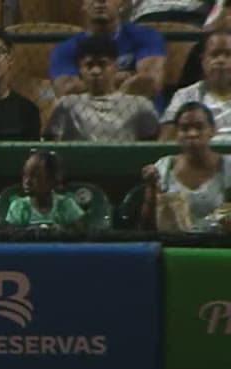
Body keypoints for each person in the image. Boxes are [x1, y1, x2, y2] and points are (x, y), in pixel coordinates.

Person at [50, 0, 167, 109]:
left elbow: (149, 84)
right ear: (84, 3)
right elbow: (66, 92)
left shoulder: (147, 36)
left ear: (122, 3)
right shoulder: (65, 48)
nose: (101, 0)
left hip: (138, 116)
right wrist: (118, 79)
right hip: (87, 119)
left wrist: (92, 84)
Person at [45, 34, 161, 141]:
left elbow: (152, 146)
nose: (96, 71)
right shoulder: (67, 105)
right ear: (80, 69)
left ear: (115, 66)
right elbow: (51, 144)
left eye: (102, 64)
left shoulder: (139, 105)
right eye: (89, 65)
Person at [141, 101, 231, 231]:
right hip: (175, 246)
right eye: (185, 129)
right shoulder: (164, 168)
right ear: (177, 134)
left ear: (212, 131)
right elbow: (147, 226)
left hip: (218, 246)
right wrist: (151, 189)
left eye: (199, 127)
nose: (192, 134)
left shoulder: (228, 166)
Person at [161, 29, 231, 140]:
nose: (221, 60)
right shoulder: (185, 95)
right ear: (203, 61)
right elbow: (166, 139)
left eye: (228, 55)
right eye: (215, 55)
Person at [4, 150, 86, 229]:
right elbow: (10, 238)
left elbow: (81, 236)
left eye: (35, 177)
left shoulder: (66, 205)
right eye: (25, 175)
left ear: (52, 180)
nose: (27, 181)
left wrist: (63, 231)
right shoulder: (19, 207)